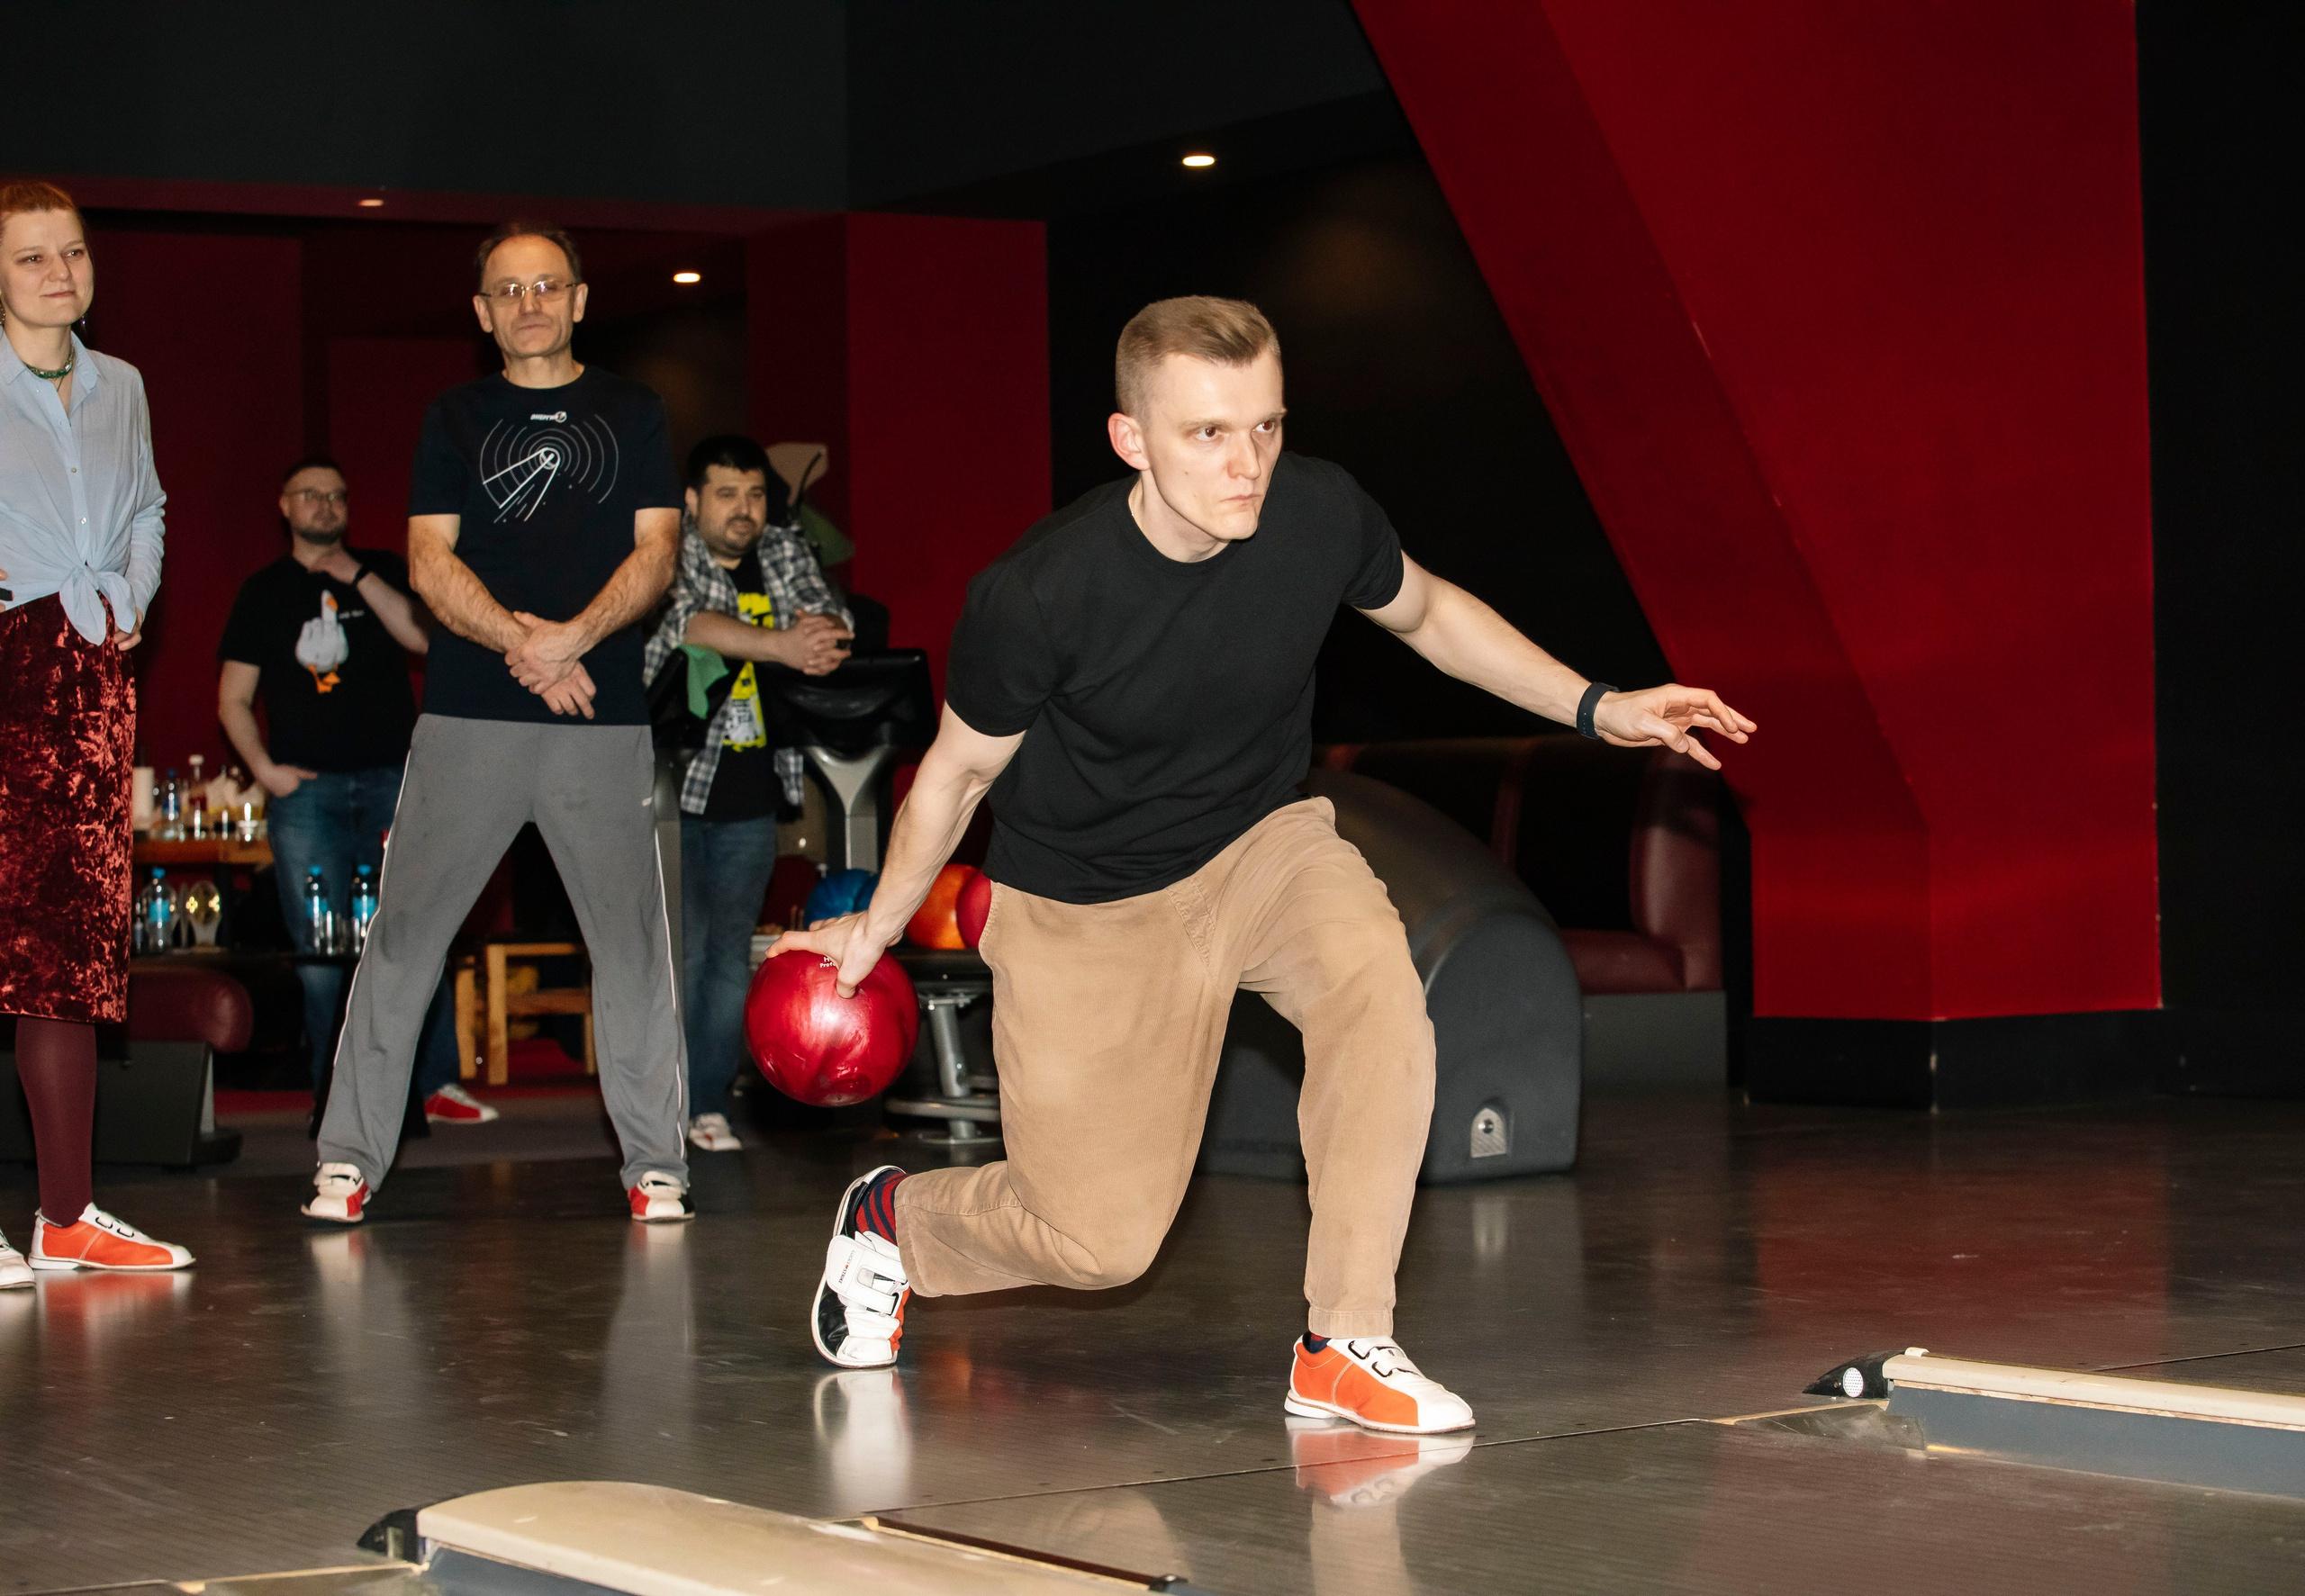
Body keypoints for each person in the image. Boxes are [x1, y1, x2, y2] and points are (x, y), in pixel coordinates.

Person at [779, 298, 1757, 1431]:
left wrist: (1598, 706)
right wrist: (877, 926)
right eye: (1206, 434)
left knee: (1380, 996)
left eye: (1265, 427)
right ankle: (892, 1223)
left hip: (1262, 842)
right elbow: (952, 775)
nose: (1246, 465)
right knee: (1099, 1243)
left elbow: (1430, 612)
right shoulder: (1041, 593)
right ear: (1129, 439)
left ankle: (1346, 1340)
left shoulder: (1316, 512)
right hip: (1089, 904)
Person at [303, 220, 691, 1226]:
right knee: (404, 940)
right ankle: (346, 1161)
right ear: (482, 313)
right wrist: (532, 647)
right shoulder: (455, 416)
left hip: (599, 723)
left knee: (634, 947)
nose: (529, 304)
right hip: (470, 717)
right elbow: (428, 562)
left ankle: (657, 1167)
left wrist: (576, 638)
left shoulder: (634, 408)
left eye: (547, 286)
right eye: (508, 291)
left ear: (579, 299)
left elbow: (656, 556)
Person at [0, 180, 193, 1282]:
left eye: (71, 253)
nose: (59, 273)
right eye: (31, 258)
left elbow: (150, 506)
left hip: (86, 676)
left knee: (65, 948)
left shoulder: (121, 385)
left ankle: (65, 1216)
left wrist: (130, 595)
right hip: (7, 653)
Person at [218, 455, 493, 1126]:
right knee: (318, 961)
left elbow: (422, 641)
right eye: (311, 495)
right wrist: (266, 770)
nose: (325, 505)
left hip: (393, 784)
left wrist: (358, 576)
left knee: (408, 937)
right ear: (284, 505)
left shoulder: (383, 570)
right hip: (305, 795)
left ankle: (429, 1089)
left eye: (337, 495)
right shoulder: (263, 591)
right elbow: (233, 698)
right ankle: (333, 1099)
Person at [643, 434, 851, 1153]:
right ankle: (656, 1107)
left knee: (730, 955)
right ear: (694, 500)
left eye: (756, 494)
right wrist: (783, 643)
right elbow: (685, 623)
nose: (745, 510)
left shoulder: (785, 550)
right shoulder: (669, 549)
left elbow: (831, 623)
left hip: (755, 787)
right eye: (727, 494)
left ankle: (706, 1102)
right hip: (670, 788)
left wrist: (816, 636)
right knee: (677, 952)